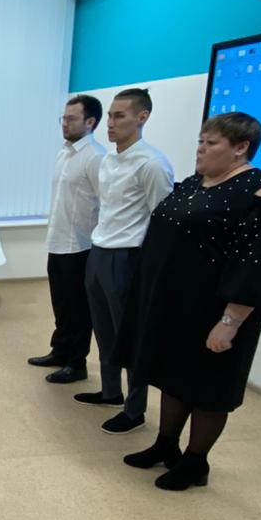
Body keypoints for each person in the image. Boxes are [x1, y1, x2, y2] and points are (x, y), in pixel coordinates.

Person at [116, 112, 261, 490]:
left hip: (216, 311)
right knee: (174, 377)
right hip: (177, 306)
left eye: (211, 143)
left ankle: (196, 462)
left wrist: (230, 322)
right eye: (200, 141)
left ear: (241, 148)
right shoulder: (196, 183)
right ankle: (166, 445)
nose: (200, 149)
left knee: (208, 388)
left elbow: (258, 268)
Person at [75, 88, 174, 434]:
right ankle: (110, 391)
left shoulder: (152, 164)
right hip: (99, 250)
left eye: (119, 116)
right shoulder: (108, 161)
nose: (110, 123)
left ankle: (135, 410)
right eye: (110, 116)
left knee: (129, 335)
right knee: (103, 329)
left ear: (142, 117)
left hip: (127, 257)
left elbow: (162, 222)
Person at [28, 95, 106, 383]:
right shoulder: (64, 153)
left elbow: (106, 203)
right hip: (58, 241)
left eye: (72, 119)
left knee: (78, 309)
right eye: (64, 118)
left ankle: (77, 363)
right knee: (61, 304)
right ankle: (60, 351)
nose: (65, 124)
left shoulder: (96, 157)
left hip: (81, 246)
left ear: (90, 122)